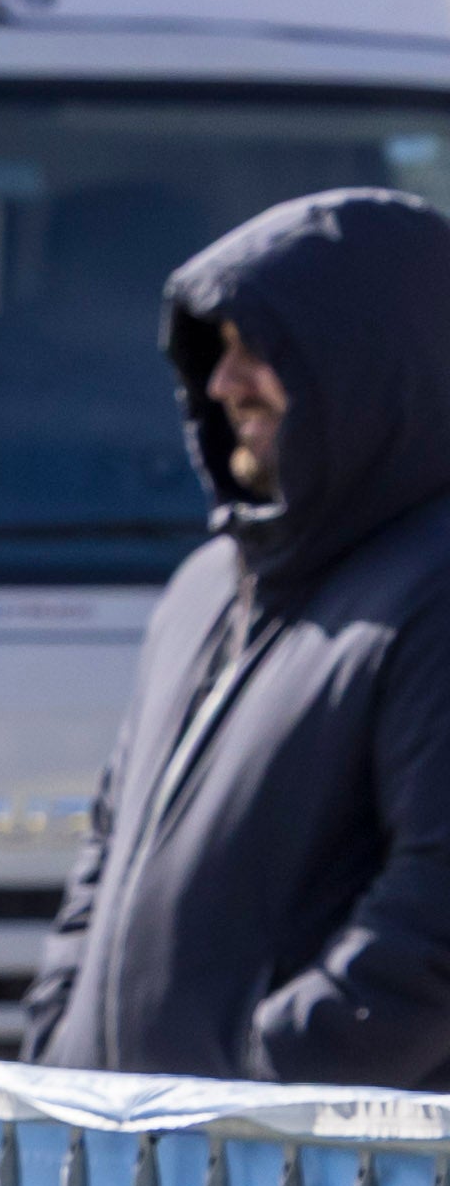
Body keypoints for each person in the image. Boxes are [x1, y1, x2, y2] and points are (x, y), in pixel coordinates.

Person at [27, 186, 450, 1090]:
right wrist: (62, 1049)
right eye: (215, 352)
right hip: (149, 1175)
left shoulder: (434, 590)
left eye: (259, 348)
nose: (223, 384)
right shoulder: (208, 584)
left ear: (368, 360)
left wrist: (259, 1086)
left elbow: (435, 918)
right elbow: (105, 856)